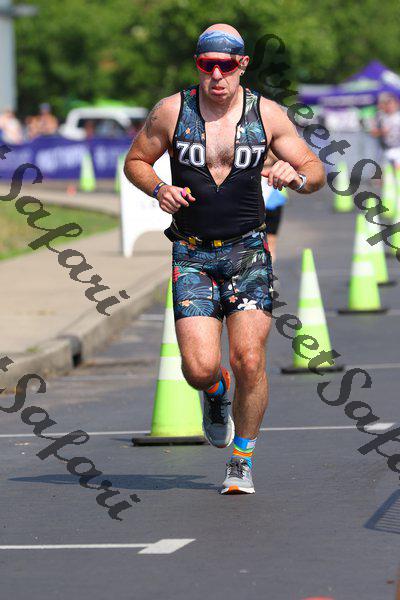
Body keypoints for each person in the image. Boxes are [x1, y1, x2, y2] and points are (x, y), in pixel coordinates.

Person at [124, 23, 325, 494]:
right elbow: (135, 162)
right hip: (191, 254)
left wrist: (294, 177)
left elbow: (315, 170)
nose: (217, 75)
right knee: (198, 368)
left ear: (242, 65)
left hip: (247, 252)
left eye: (226, 65)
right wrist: (159, 188)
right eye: (207, 65)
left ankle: (242, 460)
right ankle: (216, 395)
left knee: (249, 359)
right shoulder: (172, 111)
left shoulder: (266, 114)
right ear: (198, 65)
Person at [262, 150, 287, 263]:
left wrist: (268, 150)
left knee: (271, 241)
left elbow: (285, 160)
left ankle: (270, 267)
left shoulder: (275, 151)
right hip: (256, 202)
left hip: (273, 201)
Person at [370, 92, 400, 165]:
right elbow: (373, 133)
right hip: (384, 150)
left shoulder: (398, 116)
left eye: (391, 103)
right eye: (387, 104)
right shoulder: (380, 116)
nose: (389, 106)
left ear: (396, 104)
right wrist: (381, 131)